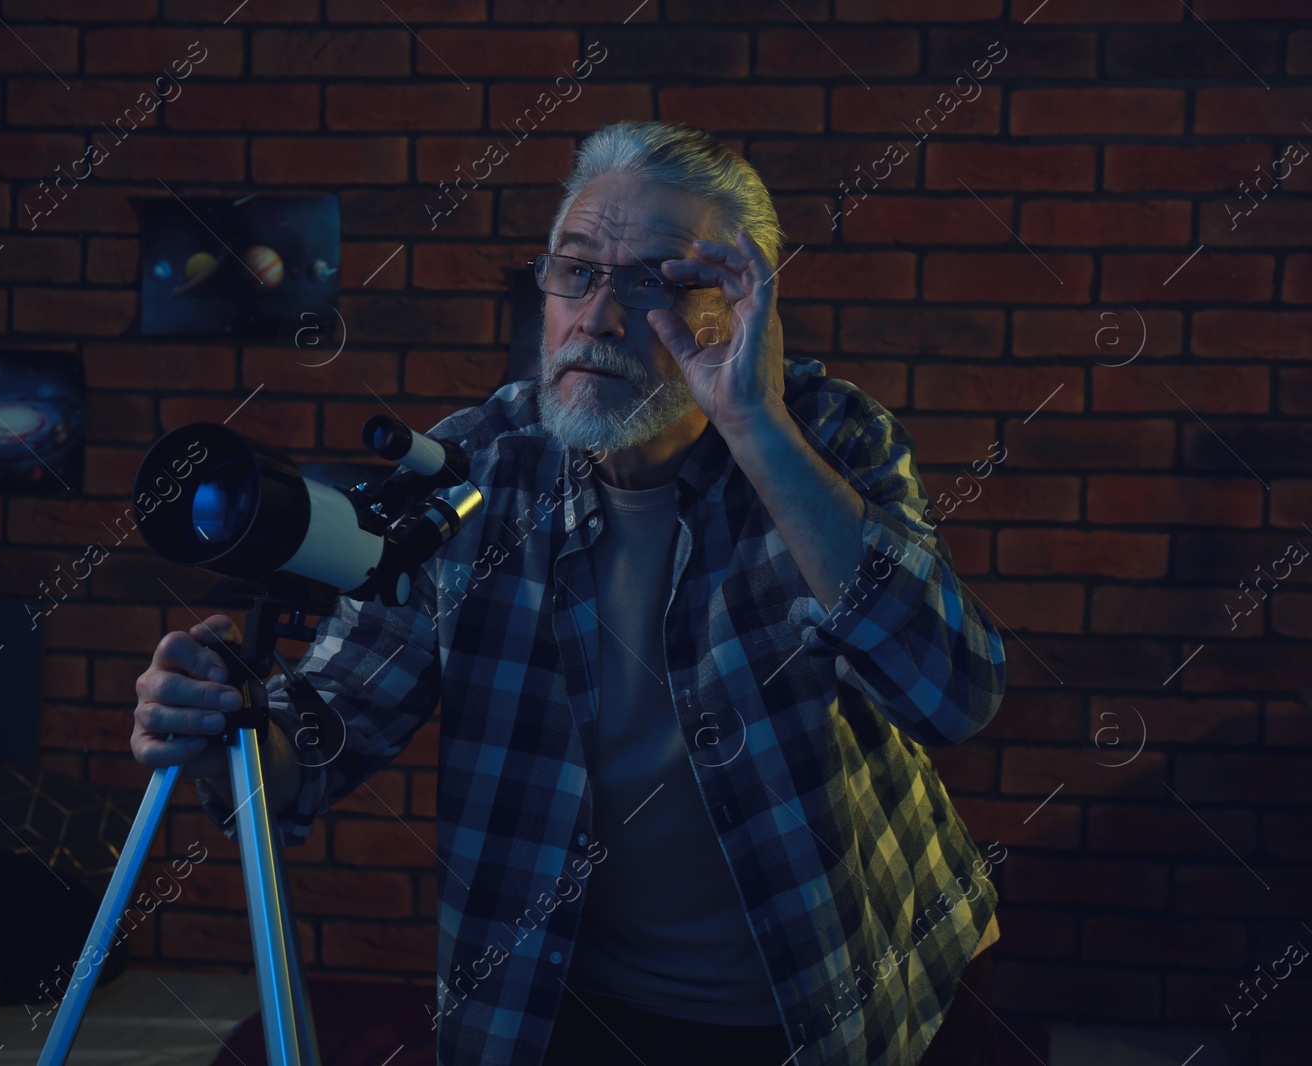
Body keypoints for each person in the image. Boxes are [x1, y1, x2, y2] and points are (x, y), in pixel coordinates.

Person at [131, 120, 1005, 1066]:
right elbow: (322, 740)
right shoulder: (474, 473)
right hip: (561, 997)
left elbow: (949, 691)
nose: (599, 317)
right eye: (577, 272)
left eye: (656, 285)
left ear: (735, 312)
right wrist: (223, 725)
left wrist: (753, 421)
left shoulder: (827, 441)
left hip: (838, 979)